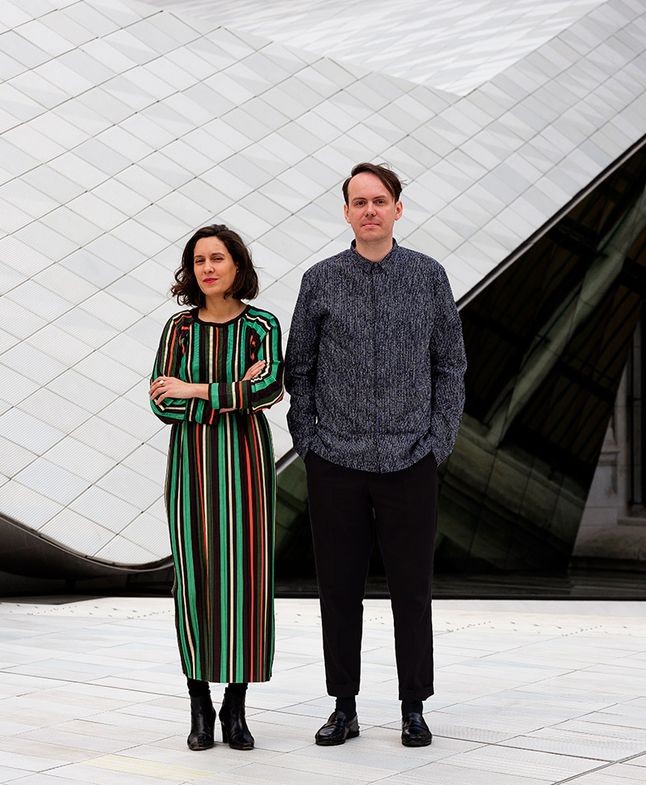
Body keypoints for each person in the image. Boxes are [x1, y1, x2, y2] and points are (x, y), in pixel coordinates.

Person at [285, 162, 467, 748]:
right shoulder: (320, 280)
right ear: (345, 213)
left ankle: (414, 705)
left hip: (411, 458)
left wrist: (438, 441)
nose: (369, 210)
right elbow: (299, 370)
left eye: (379, 200)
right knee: (338, 588)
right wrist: (308, 443)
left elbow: (451, 364)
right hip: (334, 461)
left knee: (412, 590)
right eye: (358, 202)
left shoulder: (428, 277)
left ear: (398, 209)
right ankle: (344, 706)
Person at [149, 224, 284, 751]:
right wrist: (233, 392)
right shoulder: (178, 330)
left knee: (245, 580)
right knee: (197, 579)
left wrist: (197, 389)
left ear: (237, 266)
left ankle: (236, 706)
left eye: (218, 259)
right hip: (191, 471)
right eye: (199, 260)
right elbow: (162, 401)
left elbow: (271, 384)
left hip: (246, 469)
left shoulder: (261, 325)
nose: (207, 268)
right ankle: (199, 703)